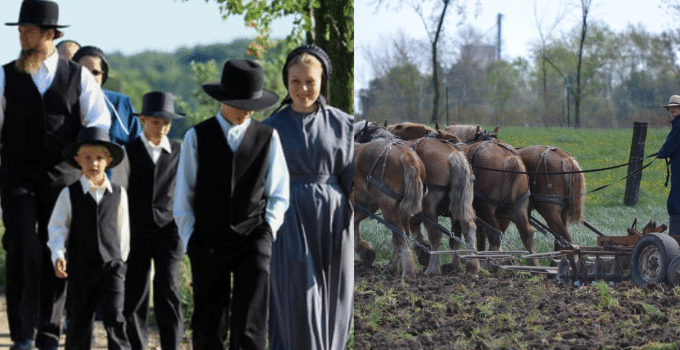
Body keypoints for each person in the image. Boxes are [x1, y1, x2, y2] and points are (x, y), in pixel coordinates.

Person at [1, 1, 112, 349]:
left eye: (27, 31)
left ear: (49, 34)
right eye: (18, 31)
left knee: (56, 249)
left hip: (63, 175)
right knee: (20, 246)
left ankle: (49, 333)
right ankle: (22, 335)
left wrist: (90, 165)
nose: (21, 37)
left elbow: (98, 121)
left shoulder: (78, 76)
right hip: (17, 175)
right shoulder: (5, 74)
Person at [174, 59, 289, 350]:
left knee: (250, 328)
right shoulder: (196, 137)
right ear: (223, 99)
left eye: (251, 105)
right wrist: (191, 239)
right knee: (208, 327)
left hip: (253, 237)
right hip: (208, 240)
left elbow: (278, 193)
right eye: (240, 104)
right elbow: (184, 196)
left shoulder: (268, 137)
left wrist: (268, 231)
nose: (246, 112)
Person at [264, 44, 354, 350]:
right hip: (287, 217)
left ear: (322, 80)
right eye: (295, 82)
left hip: (333, 219)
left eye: (310, 81)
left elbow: (352, 178)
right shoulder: (270, 128)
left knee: (333, 297)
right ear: (286, 83)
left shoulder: (343, 124)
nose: (303, 89)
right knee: (299, 295)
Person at [112, 91, 185, 350]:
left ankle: (171, 345)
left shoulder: (180, 151)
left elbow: (187, 193)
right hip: (137, 232)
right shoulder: (127, 152)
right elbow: (119, 195)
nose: (162, 128)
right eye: (156, 122)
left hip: (169, 232)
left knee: (168, 288)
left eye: (166, 123)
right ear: (143, 120)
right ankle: (136, 344)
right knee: (136, 291)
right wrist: (120, 236)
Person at [47, 127, 131, 350]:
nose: (93, 163)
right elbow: (57, 228)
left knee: (116, 318)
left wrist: (120, 261)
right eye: (87, 158)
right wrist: (58, 254)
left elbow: (124, 231)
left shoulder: (119, 193)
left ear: (109, 161)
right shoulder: (69, 193)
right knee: (79, 320)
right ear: (78, 160)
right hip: (81, 267)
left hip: (112, 267)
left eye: (99, 158)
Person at [72, 46, 142, 147]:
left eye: (95, 72)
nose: (89, 77)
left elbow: (138, 148)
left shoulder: (121, 104)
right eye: (84, 72)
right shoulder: (62, 104)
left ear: (103, 76)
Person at [659, 94, 680, 235]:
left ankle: (675, 238)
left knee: (674, 204)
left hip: (679, 171)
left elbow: (669, 146)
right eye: (670, 109)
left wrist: (661, 152)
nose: (671, 111)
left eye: (674, 108)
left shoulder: (678, 125)